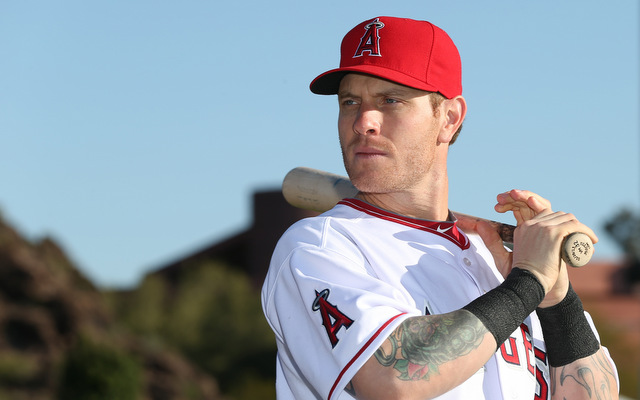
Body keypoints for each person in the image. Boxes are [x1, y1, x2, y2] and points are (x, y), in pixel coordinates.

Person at [261, 16, 619, 400]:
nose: (363, 122)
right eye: (350, 102)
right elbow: (392, 379)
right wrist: (527, 283)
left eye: (390, 100)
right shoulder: (319, 247)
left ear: (449, 118)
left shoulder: (496, 261)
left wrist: (555, 297)